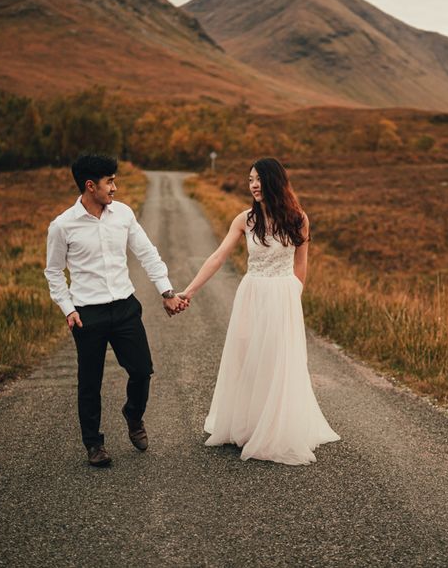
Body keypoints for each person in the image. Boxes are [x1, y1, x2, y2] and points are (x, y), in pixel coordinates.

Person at [180, 157, 341, 465]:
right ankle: (249, 424)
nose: (253, 184)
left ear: (274, 181)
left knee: (277, 360)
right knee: (247, 357)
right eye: (250, 179)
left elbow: (301, 264)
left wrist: (294, 294)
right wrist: (189, 290)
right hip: (251, 294)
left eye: (258, 179)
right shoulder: (244, 220)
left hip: (283, 296)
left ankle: (276, 429)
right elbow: (217, 257)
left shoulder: (298, 219)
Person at [44, 154, 188, 467]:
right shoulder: (62, 226)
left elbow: (147, 253)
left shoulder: (122, 214)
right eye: (110, 181)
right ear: (90, 185)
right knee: (89, 382)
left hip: (124, 307)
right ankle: (94, 445)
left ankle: (133, 415)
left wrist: (166, 291)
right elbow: (53, 272)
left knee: (141, 370)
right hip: (87, 314)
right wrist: (68, 308)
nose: (115, 187)